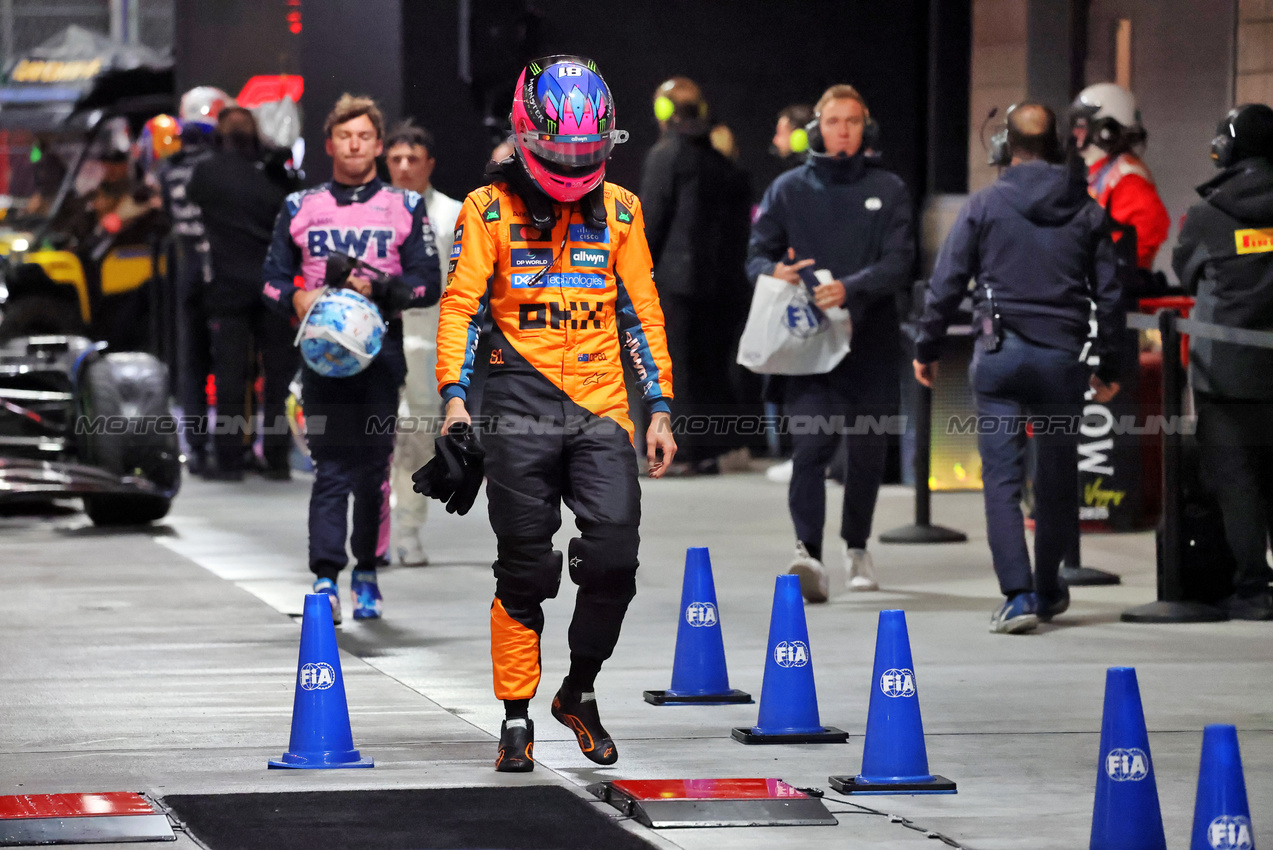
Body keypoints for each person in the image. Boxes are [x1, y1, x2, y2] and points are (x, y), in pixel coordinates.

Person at [436, 55, 676, 773]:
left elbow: (640, 314)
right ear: (525, 135)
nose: (574, 164)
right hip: (518, 402)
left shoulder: (624, 210)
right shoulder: (485, 210)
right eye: (560, 151)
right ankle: (515, 714)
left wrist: (659, 405)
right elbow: (463, 307)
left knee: (613, 557)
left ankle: (578, 689)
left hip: (602, 405)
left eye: (586, 151)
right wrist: (454, 396)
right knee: (527, 568)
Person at [913, 104, 1123, 634]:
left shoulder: (985, 204)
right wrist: (1110, 363)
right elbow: (1113, 298)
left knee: (1002, 482)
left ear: (1007, 146)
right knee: (1054, 481)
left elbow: (946, 284)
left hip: (1001, 360)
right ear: (1057, 145)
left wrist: (926, 347)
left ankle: (1019, 594)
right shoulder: (1089, 209)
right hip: (1061, 364)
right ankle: (1050, 587)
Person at [263, 94, 440, 623]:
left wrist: (380, 286)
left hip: (381, 357)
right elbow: (270, 282)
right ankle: (324, 575)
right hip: (321, 360)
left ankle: (366, 570)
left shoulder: (404, 207)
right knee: (330, 471)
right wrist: (293, 297)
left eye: (365, 136)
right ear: (329, 144)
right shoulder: (299, 206)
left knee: (371, 472)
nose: (355, 143)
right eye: (345, 136)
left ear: (378, 145)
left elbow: (428, 285)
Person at [746, 84, 913, 601]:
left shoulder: (889, 189)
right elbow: (756, 257)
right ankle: (807, 553)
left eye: (853, 121)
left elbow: (900, 261)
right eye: (834, 120)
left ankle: (856, 546)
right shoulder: (789, 188)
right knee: (811, 448)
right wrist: (775, 271)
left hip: (870, 343)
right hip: (807, 345)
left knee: (865, 452)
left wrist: (853, 286)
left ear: (867, 130)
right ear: (816, 128)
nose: (843, 129)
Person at [1172, 103, 1273, 620]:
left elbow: (1185, 272)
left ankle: (1255, 590)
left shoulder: (1207, 216)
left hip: (1226, 374)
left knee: (1238, 486)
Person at [639, 76, 751, 475]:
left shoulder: (665, 156)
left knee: (672, 370)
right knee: (708, 368)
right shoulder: (723, 164)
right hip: (723, 286)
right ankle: (708, 449)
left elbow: (651, 222)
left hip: (675, 285)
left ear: (664, 113)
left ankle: (674, 454)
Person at [188, 107, 297, 480]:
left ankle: (231, 457)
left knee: (231, 374)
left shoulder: (207, 172)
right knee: (279, 376)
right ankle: (278, 458)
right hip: (273, 281)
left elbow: (192, 200)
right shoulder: (274, 174)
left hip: (227, 283)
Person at [384, 120, 463, 565]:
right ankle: (376, 529)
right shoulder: (373, 212)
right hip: (375, 340)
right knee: (376, 437)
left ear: (429, 163)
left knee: (416, 438)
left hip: (430, 341)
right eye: (395, 158)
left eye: (413, 158)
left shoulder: (452, 214)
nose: (404, 166)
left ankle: (408, 531)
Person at [157, 91, 230, 475]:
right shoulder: (220, 166)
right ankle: (229, 447)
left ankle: (197, 446)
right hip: (219, 268)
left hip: (187, 270)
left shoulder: (168, 169)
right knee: (229, 359)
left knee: (191, 361)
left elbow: (170, 215)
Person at [1070, 82, 1170, 280]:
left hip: (1116, 289)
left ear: (1106, 129)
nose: (1076, 134)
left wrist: (1117, 267)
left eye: (1082, 126)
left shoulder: (1127, 177)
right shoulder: (1102, 172)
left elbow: (1152, 226)